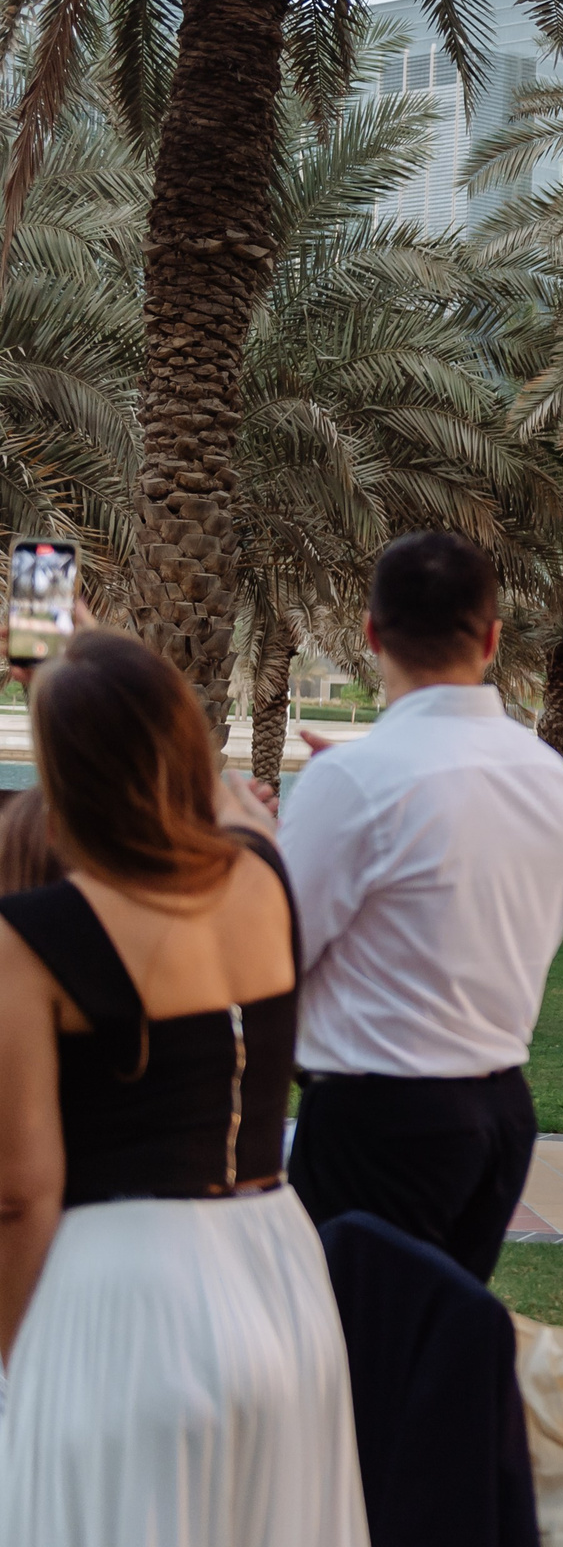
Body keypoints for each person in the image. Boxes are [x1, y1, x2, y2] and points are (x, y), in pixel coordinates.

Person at [0, 630, 369, 1545]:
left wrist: (13, 1351)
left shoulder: (31, 936)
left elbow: (20, 1192)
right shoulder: (262, 873)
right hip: (280, 1275)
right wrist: (72, 658)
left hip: (122, 1299)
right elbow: (222, 797)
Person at [280, 533, 563, 1281]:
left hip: (380, 1123)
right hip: (502, 1115)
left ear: (370, 634)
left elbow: (271, 951)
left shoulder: (355, 781)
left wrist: (257, 846)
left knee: (354, 1369)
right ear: (491, 638)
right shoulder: (548, 776)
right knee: (432, 1360)